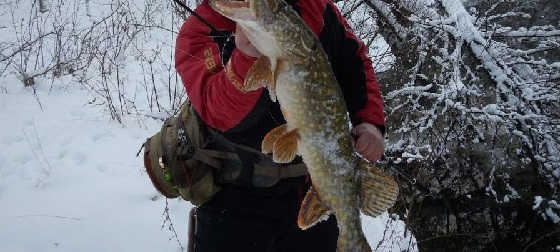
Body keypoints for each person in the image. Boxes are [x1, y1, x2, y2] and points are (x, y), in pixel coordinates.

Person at [174, 0, 385, 251]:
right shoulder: (199, 30)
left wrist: (370, 122)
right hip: (231, 199)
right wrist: (245, 60)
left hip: (307, 190)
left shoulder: (318, 9)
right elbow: (216, 112)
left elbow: (355, 61)